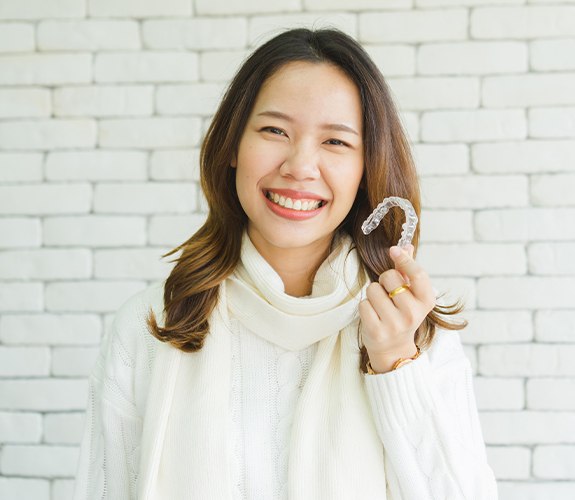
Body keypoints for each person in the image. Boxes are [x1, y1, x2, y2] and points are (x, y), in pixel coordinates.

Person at [73, 28, 498, 499]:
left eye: (336, 142)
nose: (300, 165)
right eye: (275, 131)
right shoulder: (150, 327)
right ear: (232, 146)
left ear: (364, 169)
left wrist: (396, 364)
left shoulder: (415, 329)